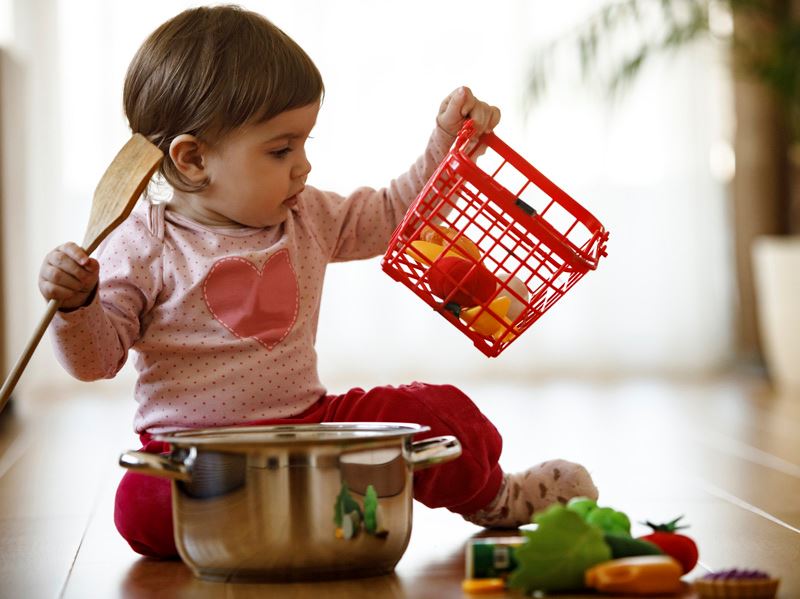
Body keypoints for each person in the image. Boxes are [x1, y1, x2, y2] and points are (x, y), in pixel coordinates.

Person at [39, 5, 598, 559]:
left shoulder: (305, 215)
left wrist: (445, 145)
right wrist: (78, 305)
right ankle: (271, 512)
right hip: (195, 453)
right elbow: (95, 361)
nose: (303, 166)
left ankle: (497, 498)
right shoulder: (141, 245)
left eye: (305, 142)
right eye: (281, 149)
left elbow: (392, 213)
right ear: (192, 160)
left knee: (437, 413)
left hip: (308, 432)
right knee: (139, 505)